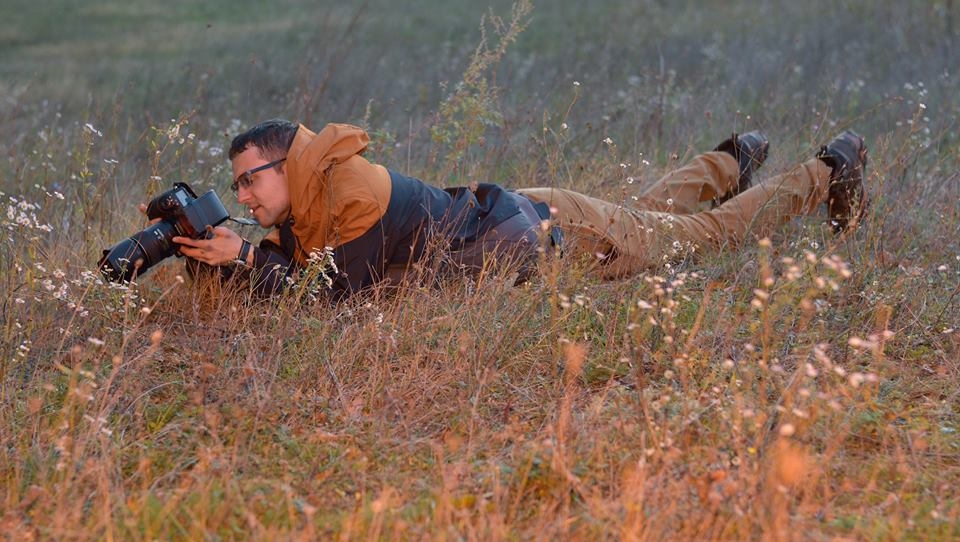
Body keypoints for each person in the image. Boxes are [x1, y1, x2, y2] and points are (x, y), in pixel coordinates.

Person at [170, 119, 867, 299]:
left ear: (285, 164)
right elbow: (299, 270)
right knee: (638, 213)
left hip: (552, 233)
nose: (242, 196)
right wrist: (217, 258)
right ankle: (731, 162)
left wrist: (248, 258)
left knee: (698, 237)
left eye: (249, 181)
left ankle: (829, 170)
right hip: (528, 217)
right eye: (237, 187)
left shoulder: (351, 193)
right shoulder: (315, 192)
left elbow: (330, 298)